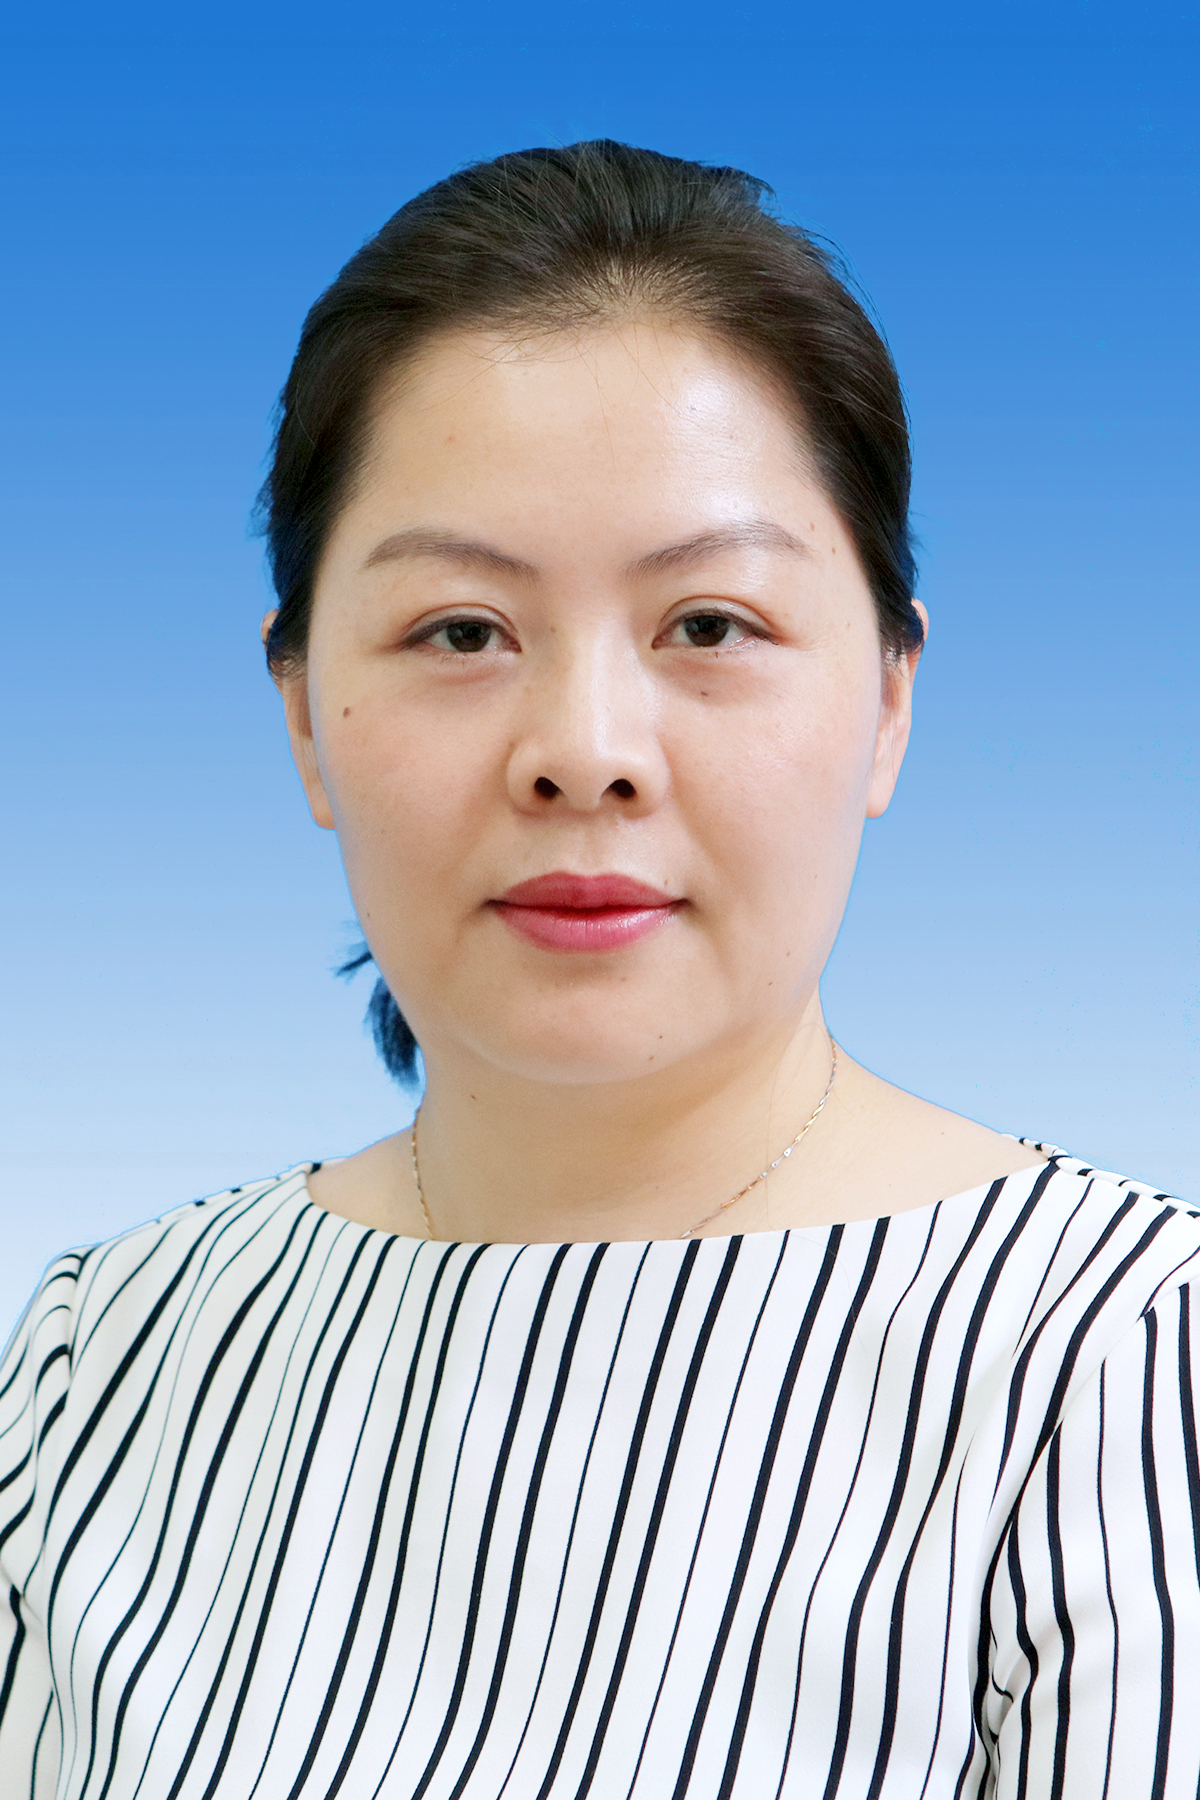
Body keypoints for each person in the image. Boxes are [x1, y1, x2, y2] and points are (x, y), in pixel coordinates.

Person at [1, 140, 1196, 1800]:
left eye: (708, 625)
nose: (584, 751)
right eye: (461, 632)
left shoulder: (1117, 1362)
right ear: (301, 718)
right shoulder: (109, 1355)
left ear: (889, 700)